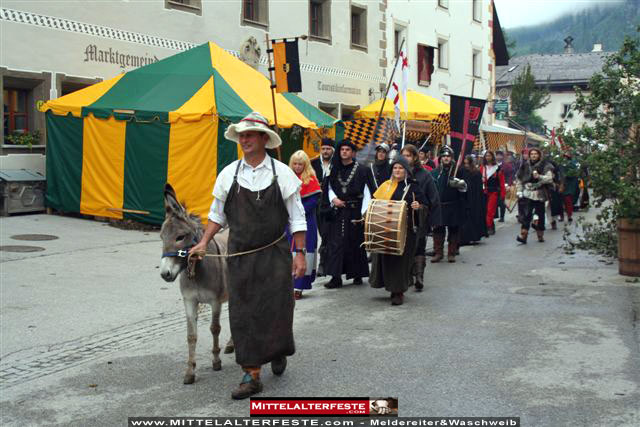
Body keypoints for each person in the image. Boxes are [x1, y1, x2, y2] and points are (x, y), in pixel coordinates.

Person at [189, 112, 306, 400]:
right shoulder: (229, 174)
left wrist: (299, 253)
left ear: (264, 139)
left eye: (250, 134)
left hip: (276, 254)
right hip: (240, 255)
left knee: (277, 308)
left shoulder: (283, 173)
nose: (244, 139)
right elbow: (217, 215)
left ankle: (277, 350)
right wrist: (204, 241)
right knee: (243, 312)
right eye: (241, 135)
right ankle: (251, 373)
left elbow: (298, 218)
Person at [369, 155, 426, 305]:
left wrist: (418, 206)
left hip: (405, 231)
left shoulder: (413, 187)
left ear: (406, 170)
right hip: (386, 228)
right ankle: (389, 285)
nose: (397, 170)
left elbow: (424, 205)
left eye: (400, 168)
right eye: (395, 168)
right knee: (386, 258)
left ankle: (398, 291)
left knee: (400, 261)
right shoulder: (386, 185)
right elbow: (375, 204)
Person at [323, 139, 370, 288]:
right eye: (342, 149)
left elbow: (367, 191)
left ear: (353, 152)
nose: (344, 152)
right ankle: (336, 277)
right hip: (338, 210)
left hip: (355, 209)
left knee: (355, 242)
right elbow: (328, 187)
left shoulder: (362, 170)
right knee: (335, 243)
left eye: (347, 150)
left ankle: (357, 274)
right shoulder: (333, 169)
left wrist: (364, 212)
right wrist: (334, 199)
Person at [400, 144, 440, 290]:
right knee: (404, 248)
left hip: (419, 218)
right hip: (401, 219)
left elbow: (433, 198)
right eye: (403, 155)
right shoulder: (398, 173)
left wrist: (427, 213)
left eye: (408, 155)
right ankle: (407, 276)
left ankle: (419, 277)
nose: (405, 158)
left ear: (415, 157)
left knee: (419, 247)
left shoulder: (424, 175)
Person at [288, 150, 322, 299]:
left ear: (305, 164)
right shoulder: (287, 178)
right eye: (295, 163)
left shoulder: (311, 180)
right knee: (289, 251)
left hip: (306, 220)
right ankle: (288, 284)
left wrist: (297, 211)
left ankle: (299, 287)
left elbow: (313, 202)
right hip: (288, 220)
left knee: (303, 251)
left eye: (300, 164)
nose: (297, 166)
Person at [430, 145, 468, 263]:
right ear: (440, 158)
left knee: (453, 229)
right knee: (438, 230)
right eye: (444, 156)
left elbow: (466, 188)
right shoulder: (435, 172)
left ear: (451, 158)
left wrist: (460, 184)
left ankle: (451, 253)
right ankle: (438, 253)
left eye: (448, 156)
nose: (446, 158)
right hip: (440, 205)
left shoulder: (458, 171)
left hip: (453, 204)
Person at [515, 147, 554, 244]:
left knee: (540, 214)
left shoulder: (545, 165)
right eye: (531, 154)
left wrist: (539, 176)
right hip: (527, 193)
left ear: (539, 155)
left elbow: (549, 178)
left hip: (540, 193)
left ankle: (540, 235)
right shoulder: (524, 165)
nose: (533, 155)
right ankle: (523, 236)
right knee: (526, 214)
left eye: (535, 154)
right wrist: (519, 190)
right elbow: (519, 179)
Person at [311, 138, 334, 276]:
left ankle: (323, 263)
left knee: (327, 234)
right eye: (324, 148)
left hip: (331, 204)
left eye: (328, 149)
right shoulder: (312, 164)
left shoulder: (336, 164)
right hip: (315, 204)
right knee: (321, 233)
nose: (325, 151)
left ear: (332, 150)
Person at [459, 155, 487, 246]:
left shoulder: (476, 173)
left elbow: (478, 188)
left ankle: (473, 237)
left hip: (474, 199)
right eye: (465, 163)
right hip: (464, 197)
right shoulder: (462, 171)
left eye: (468, 163)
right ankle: (464, 238)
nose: (466, 165)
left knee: (472, 217)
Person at [480, 151, 506, 235]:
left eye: (489, 156)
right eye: (486, 156)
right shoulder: (482, 168)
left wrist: (502, 194)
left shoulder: (497, 168)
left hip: (494, 192)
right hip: (484, 192)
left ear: (492, 157)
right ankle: (490, 226)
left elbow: (501, 182)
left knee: (490, 211)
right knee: (484, 211)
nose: (488, 157)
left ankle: (489, 226)